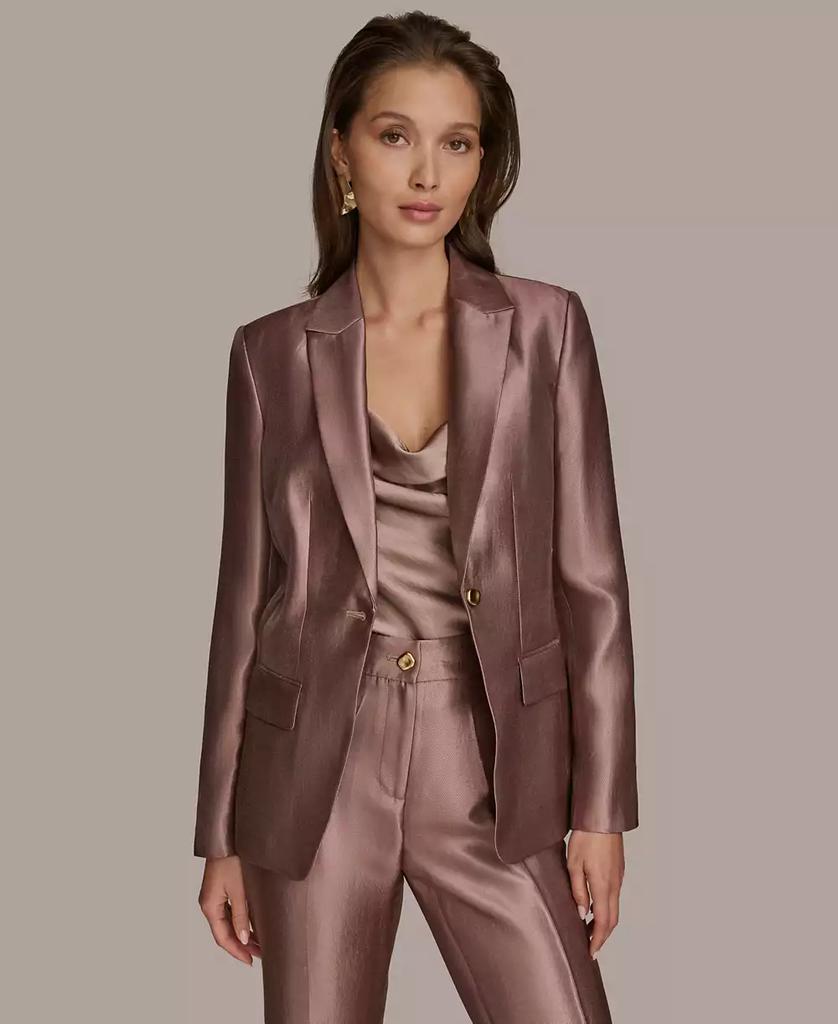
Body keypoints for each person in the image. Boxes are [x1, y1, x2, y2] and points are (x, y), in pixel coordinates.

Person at [194, 11, 638, 1023]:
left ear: (483, 165)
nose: (427, 172)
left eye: (458, 142)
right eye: (395, 135)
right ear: (341, 152)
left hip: (490, 757)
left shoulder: (546, 328)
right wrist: (219, 830)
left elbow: (594, 584)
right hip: (313, 767)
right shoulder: (269, 355)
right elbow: (244, 599)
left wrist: (602, 809)